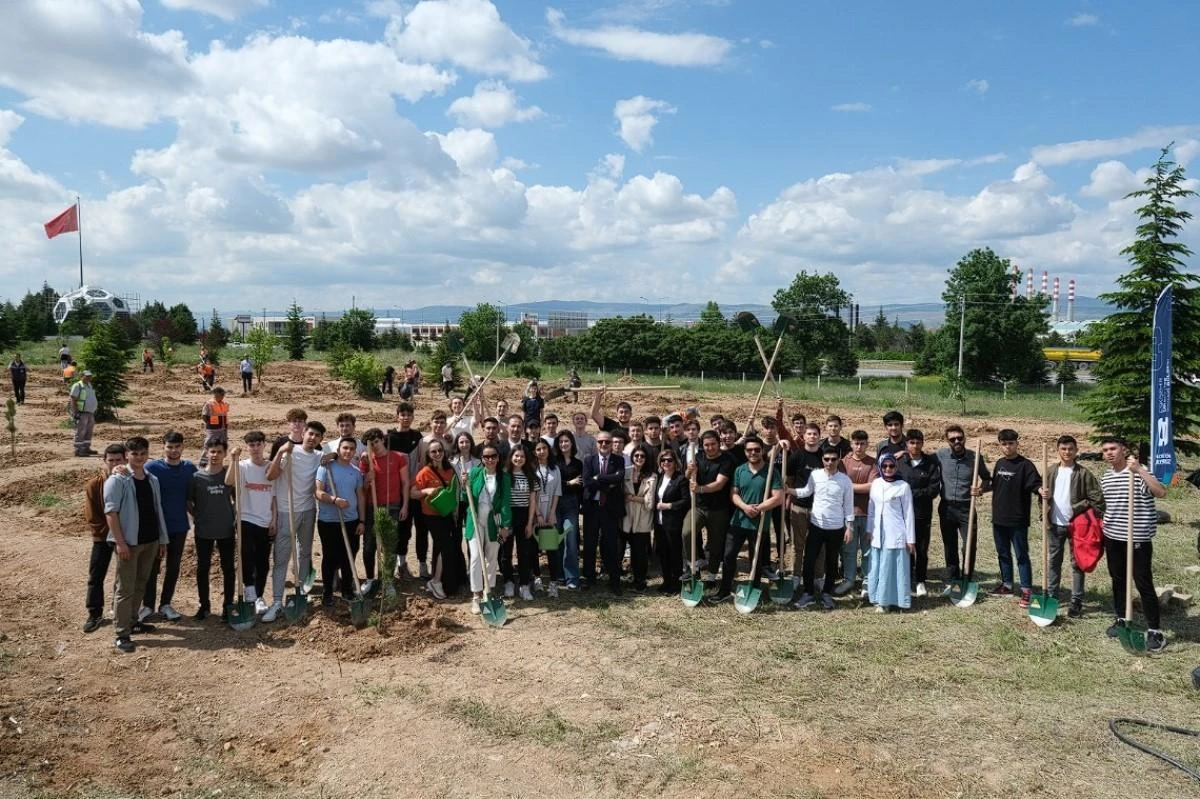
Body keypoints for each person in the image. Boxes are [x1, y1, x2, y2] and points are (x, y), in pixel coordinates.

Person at [1098, 436, 1168, 652]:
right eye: (1105, 450)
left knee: (1143, 582)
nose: (1109, 452)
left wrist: (1140, 470)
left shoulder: (1139, 472)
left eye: (1113, 448)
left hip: (1137, 537)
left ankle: (1155, 631)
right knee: (1118, 580)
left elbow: (1161, 492)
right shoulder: (1107, 477)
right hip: (1113, 536)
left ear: (1124, 449)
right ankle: (1121, 618)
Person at [104, 437, 169, 653]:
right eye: (134, 454)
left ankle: (133, 621)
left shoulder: (152, 479)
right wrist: (120, 542)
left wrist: (162, 539)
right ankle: (122, 633)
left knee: (141, 583)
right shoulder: (118, 480)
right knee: (125, 588)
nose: (139, 458)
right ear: (127, 455)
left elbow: (157, 509)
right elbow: (111, 513)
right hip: (129, 544)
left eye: (143, 453)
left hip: (150, 542)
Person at [263, 420, 325, 621]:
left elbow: (334, 457)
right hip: (286, 510)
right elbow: (270, 476)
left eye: (317, 436)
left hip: (308, 511)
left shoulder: (319, 456)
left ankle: (301, 592)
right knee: (281, 558)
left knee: (305, 552)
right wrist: (281, 452)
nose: (313, 438)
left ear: (321, 440)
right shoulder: (290, 452)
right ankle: (277, 602)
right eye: (310, 434)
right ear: (304, 433)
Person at [1039, 434, 1104, 619]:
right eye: (1063, 449)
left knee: (1077, 564)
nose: (1067, 452)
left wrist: (1081, 510)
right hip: (1055, 524)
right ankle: (1052, 595)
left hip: (1077, 526)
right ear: (1058, 450)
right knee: (1054, 562)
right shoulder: (1051, 471)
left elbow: (1097, 499)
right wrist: (1044, 511)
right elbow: (1041, 497)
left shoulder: (1084, 474)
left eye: (1070, 449)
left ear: (1076, 451)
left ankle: (1076, 599)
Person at [714, 437, 784, 603]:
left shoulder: (771, 471)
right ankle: (724, 590)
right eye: (749, 450)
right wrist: (745, 507)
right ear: (745, 452)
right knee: (729, 555)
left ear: (762, 451)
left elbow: (778, 497)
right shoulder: (740, 470)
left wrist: (758, 508)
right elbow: (734, 493)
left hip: (759, 523)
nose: (753, 453)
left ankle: (755, 589)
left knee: (756, 559)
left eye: (757, 450)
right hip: (738, 521)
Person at [141, 431, 197, 622]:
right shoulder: (152, 467)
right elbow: (134, 475)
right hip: (155, 528)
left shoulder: (189, 468)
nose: (173, 450)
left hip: (179, 526)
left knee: (173, 567)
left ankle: (166, 604)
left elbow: (196, 494)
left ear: (182, 447)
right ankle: (147, 605)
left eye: (177, 447)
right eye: (169, 447)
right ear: (163, 447)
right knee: (151, 568)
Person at [791, 445, 854, 610]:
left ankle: (827, 593)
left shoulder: (845, 480)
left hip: (836, 528)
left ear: (838, 460)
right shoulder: (815, 475)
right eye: (827, 459)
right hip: (817, 526)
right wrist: (789, 490)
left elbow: (848, 505)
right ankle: (808, 593)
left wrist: (849, 527)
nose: (830, 462)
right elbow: (806, 491)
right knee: (809, 559)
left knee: (831, 562)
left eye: (833, 459)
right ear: (822, 460)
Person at [984, 429, 1042, 607]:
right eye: (1004, 444)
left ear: (1017, 444)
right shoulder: (1000, 463)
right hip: (999, 518)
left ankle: (1026, 590)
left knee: (1021, 555)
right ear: (1000, 445)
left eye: (1011, 443)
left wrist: (1041, 490)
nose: (1007, 447)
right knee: (1003, 554)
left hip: (1017, 519)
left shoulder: (1026, 465)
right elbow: (995, 485)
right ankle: (1007, 585)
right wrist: (980, 490)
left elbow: (1035, 484)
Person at [935, 425, 991, 594]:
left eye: (960, 438)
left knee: (970, 545)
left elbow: (988, 479)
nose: (957, 441)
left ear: (964, 438)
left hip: (967, 507)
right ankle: (953, 579)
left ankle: (967, 577)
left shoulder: (975, 457)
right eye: (952, 439)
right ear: (947, 441)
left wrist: (981, 490)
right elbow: (920, 459)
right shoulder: (940, 456)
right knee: (950, 545)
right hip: (947, 508)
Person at [226, 431, 276, 615]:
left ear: (264, 445)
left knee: (263, 561)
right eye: (251, 445)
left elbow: (274, 497)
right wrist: (233, 459)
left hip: (265, 520)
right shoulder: (242, 466)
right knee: (247, 556)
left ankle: (259, 596)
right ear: (247, 447)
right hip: (245, 518)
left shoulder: (271, 468)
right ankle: (249, 592)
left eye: (258, 444)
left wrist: (274, 519)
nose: (255, 449)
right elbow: (229, 481)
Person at [314, 436, 366, 607]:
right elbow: (318, 493)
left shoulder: (356, 472)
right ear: (338, 450)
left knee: (348, 556)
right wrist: (334, 499)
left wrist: (362, 521)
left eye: (351, 449)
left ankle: (347, 590)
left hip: (351, 520)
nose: (348, 451)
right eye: (345, 448)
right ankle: (327, 592)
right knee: (329, 557)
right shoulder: (326, 468)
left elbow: (360, 497)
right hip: (328, 521)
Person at [361, 428, 411, 597]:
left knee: (389, 546)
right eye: (371, 444)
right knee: (369, 546)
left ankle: (388, 582)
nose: (375, 446)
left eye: (376, 441)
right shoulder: (367, 460)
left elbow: (405, 483)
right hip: (372, 507)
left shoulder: (398, 457)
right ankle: (369, 580)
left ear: (382, 440)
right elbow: (363, 489)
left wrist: (405, 506)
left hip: (393, 506)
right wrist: (368, 480)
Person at [189, 441, 235, 621]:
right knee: (202, 568)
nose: (215, 455)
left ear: (224, 454)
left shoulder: (228, 476)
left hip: (226, 530)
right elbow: (189, 503)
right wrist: (199, 517)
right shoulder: (196, 477)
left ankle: (228, 606)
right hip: (203, 531)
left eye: (219, 452)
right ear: (206, 453)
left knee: (228, 569)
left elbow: (236, 498)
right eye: (212, 452)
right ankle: (204, 605)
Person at [83, 444, 126, 632]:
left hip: (125, 537)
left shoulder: (129, 481)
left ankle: (120, 611)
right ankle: (94, 613)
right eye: (111, 460)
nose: (115, 464)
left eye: (119, 460)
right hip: (102, 537)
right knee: (96, 575)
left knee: (124, 577)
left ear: (125, 460)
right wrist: (109, 533)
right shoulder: (94, 485)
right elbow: (92, 516)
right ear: (105, 461)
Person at [866, 452, 917, 613]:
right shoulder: (875, 484)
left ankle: (890, 601)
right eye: (884, 466)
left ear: (896, 467)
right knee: (877, 566)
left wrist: (910, 539)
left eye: (891, 466)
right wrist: (869, 529)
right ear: (880, 467)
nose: (888, 469)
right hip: (877, 532)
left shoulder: (903, 486)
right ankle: (877, 598)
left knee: (891, 567)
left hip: (895, 532)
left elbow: (908, 514)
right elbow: (871, 508)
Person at [465, 444, 511, 615]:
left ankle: (488, 591)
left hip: (495, 523)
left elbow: (506, 503)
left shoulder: (504, 477)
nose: (490, 459)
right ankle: (476, 595)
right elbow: (466, 497)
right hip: (475, 522)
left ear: (498, 458)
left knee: (492, 558)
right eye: (486, 457)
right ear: (482, 459)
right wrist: (465, 485)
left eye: (493, 456)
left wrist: (506, 526)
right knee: (476, 557)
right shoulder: (475, 473)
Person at [895, 429, 941, 598]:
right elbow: (894, 484)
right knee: (905, 547)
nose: (915, 446)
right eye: (911, 443)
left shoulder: (930, 463)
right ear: (906, 444)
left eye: (918, 443)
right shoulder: (900, 463)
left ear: (923, 443)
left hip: (922, 513)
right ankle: (906, 578)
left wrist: (911, 493)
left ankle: (920, 580)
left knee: (921, 549)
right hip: (901, 515)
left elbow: (933, 489)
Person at [684, 430, 734, 582]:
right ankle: (693, 566)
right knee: (687, 532)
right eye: (706, 445)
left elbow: (719, 484)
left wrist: (700, 489)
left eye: (713, 444)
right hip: (699, 506)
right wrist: (689, 470)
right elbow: (687, 476)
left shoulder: (727, 460)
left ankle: (712, 574)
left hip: (719, 509)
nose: (710, 447)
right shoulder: (697, 457)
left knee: (716, 544)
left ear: (719, 444)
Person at [412, 438, 458, 599]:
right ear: (429, 454)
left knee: (441, 547)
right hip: (431, 515)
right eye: (434, 451)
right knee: (445, 546)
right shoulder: (424, 472)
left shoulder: (449, 470)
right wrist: (425, 491)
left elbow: (453, 491)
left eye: (440, 450)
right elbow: (413, 493)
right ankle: (436, 581)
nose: (437, 454)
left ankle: (445, 580)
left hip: (447, 513)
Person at [582, 431, 626, 593]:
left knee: (611, 545)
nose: (604, 445)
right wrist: (607, 481)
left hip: (610, 509)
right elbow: (587, 482)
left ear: (611, 443)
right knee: (589, 544)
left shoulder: (619, 460)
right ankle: (589, 577)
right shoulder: (589, 460)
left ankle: (614, 580)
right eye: (601, 442)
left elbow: (619, 477)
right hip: (592, 507)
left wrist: (598, 478)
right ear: (596, 444)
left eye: (607, 442)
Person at [785, 422, 826, 591]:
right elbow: (789, 480)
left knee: (819, 545)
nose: (812, 437)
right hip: (799, 507)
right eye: (809, 434)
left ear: (819, 436)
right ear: (804, 436)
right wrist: (789, 498)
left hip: (820, 508)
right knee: (798, 545)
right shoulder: (797, 456)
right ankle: (796, 576)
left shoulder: (825, 457)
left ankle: (818, 577)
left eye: (815, 434)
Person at [386, 402, 424, 578]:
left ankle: (419, 564)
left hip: (416, 490)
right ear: (397, 416)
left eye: (409, 415)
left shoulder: (417, 436)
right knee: (401, 528)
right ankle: (398, 564)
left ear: (413, 417)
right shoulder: (389, 438)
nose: (406, 418)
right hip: (396, 492)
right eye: (403, 415)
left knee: (416, 529)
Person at [838, 430, 878, 596]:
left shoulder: (873, 463)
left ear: (867, 444)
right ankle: (849, 580)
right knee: (849, 550)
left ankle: (868, 580)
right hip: (848, 514)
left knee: (868, 549)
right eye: (856, 443)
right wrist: (851, 486)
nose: (859, 447)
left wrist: (849, 485)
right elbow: (839, 485)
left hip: (868, 514)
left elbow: (872, 486)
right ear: (851, 444)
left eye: (862, 443)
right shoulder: (843, 462)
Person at [652, 446, 690, 594]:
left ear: (675, 462)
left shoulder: (680, 479)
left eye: (669, 460)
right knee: (663, 553)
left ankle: (676, 583)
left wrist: (669, 505)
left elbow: (686, 501)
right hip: (659, 523)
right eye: (663, 460)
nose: (666, 462)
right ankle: (666, 581)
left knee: (674, 553)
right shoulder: (660, 477)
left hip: (673, 523)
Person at [504, 445, 539, 600]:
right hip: (508, 515)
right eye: (516, 456)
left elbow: (533, 501)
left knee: (524, 552)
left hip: (524, 515)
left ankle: (524, 585)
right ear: (511, 457)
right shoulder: (504, 475)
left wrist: (530, 523)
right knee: (506, 551)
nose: (519, 459)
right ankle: (508, 581)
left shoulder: (531, 477)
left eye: (522, 456)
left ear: (526, 459)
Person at [622, 443, 656, 592]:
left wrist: (632, 498)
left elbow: (649, 502)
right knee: (626, 549)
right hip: (627, 516)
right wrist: (630, 498)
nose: (639, 458)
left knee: (640, 551)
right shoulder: (626, 472)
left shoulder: (652, 476)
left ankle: (640, 580)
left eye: (642, 456)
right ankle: (632, 576)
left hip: (642, 518)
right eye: (636, 456)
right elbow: (621, 494)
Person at [532, 439, 563, 597]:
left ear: (549, 451)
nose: (541, 451)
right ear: (535, 452)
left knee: (551, 550)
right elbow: (531, 495)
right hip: (534, 514)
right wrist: (537, 514)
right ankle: (537, 578)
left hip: (550, 514)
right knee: (533, 549)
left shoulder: (555, 469)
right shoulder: (531, 469)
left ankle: (553, 583)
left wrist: (552, 512)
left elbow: (557, 492)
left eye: (544, 448)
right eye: (538, 449)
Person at [555, 430, 584, 589]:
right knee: (557, 539)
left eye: (566, 441)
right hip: (555, 503)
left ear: (572, 443)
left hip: (571, 505)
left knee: (571, 539)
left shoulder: (578, 463)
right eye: (561, 442)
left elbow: (579, 485)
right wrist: (569, 483)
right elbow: (552, 485)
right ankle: (559, 575)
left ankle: (572, 577)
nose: (563, 444)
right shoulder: (554, 462)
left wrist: (580, 504)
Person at [68, 370, 99, 457]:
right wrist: (75, 412)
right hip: (82, 412)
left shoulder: (89, 385)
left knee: (89, 431)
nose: (89, 378)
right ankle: (78, 450)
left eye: (90, 376)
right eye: (87, 376)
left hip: (90, 412)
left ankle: (86, 448)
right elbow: (73, 399)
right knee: (81, 431)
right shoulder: (77, 385)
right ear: (82, 376)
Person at [199, 386, 229, 468]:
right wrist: (210, 424)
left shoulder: (223, 403)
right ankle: (203, 463)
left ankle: (218, 463)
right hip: (212, 429)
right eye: (221, 395)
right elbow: (204, 416)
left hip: (222, 428)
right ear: (215, 395)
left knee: (222, 445)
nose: (222, 397)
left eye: (223, 395)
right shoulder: (209, 403)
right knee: (208, 445)